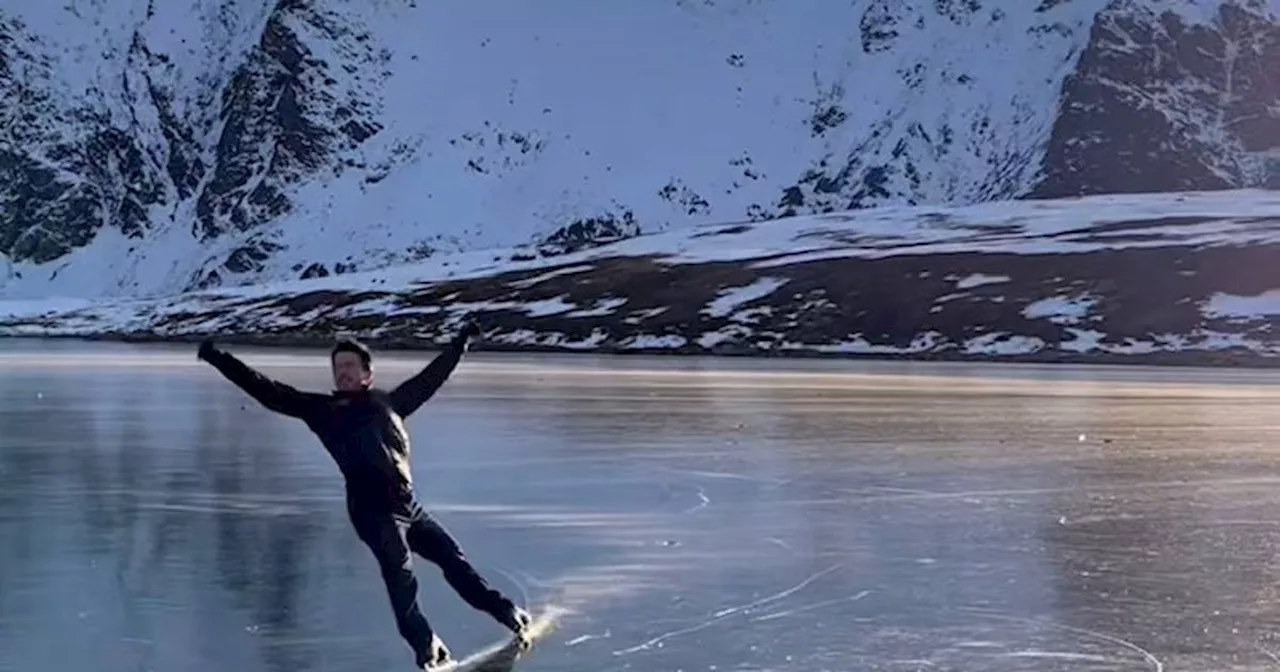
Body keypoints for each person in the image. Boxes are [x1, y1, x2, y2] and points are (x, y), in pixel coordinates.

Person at [196, 324, 530, 671]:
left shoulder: (391, 403)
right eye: (338, 367)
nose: (343, 373)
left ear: (367, 373)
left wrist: (460, 344)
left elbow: (432, 378)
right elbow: (266, 390)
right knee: (401, 576)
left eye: (350, 366)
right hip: (373, 513)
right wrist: (218, 358)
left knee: (456, 563)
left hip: (408, 507)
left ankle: (508, 612)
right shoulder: (323, 411)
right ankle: (427, 646)